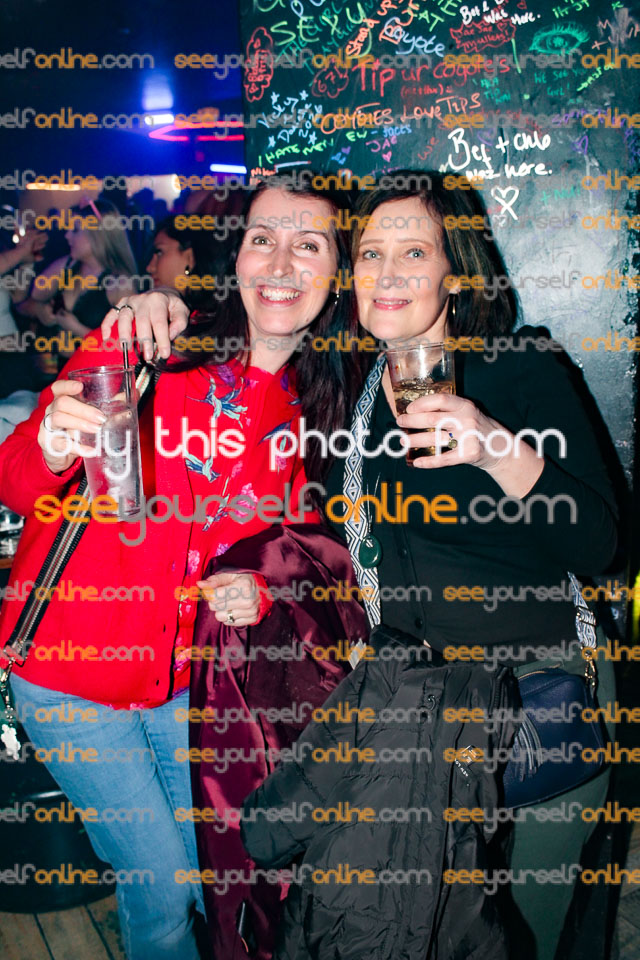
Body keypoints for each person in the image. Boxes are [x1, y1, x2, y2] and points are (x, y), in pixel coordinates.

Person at [240, 171, 619, 960]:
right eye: (370, 254)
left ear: (457, 271)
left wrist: (496, 450)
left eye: (415, 251)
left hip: (532, 707)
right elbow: (323, 548)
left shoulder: (518, 367)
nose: (388, 273)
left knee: (524, 933)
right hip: (418, 718)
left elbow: (602, 545)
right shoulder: (353, 394)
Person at [0, 177, 364, 960]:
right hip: (70, 673)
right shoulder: (149, 346)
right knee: (162, 889)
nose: (281, 263)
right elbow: (17, 479)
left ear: (337, 277)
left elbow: (298, 557)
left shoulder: (317, 412)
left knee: (210, 876)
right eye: (263, 239)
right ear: (236, 257)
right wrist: (55, 443)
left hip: (185, 683)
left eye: (309, 245)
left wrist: (258, 590)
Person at [16, 198, 139, 342]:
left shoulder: (120, 283)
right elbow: (21, 304)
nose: (67, 235)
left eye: (75, 230)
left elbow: (128, 346)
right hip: (53, 356)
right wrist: (39, 310)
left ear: (97, 235)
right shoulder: (66, 265)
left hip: (91, 358)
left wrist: (78, 329)